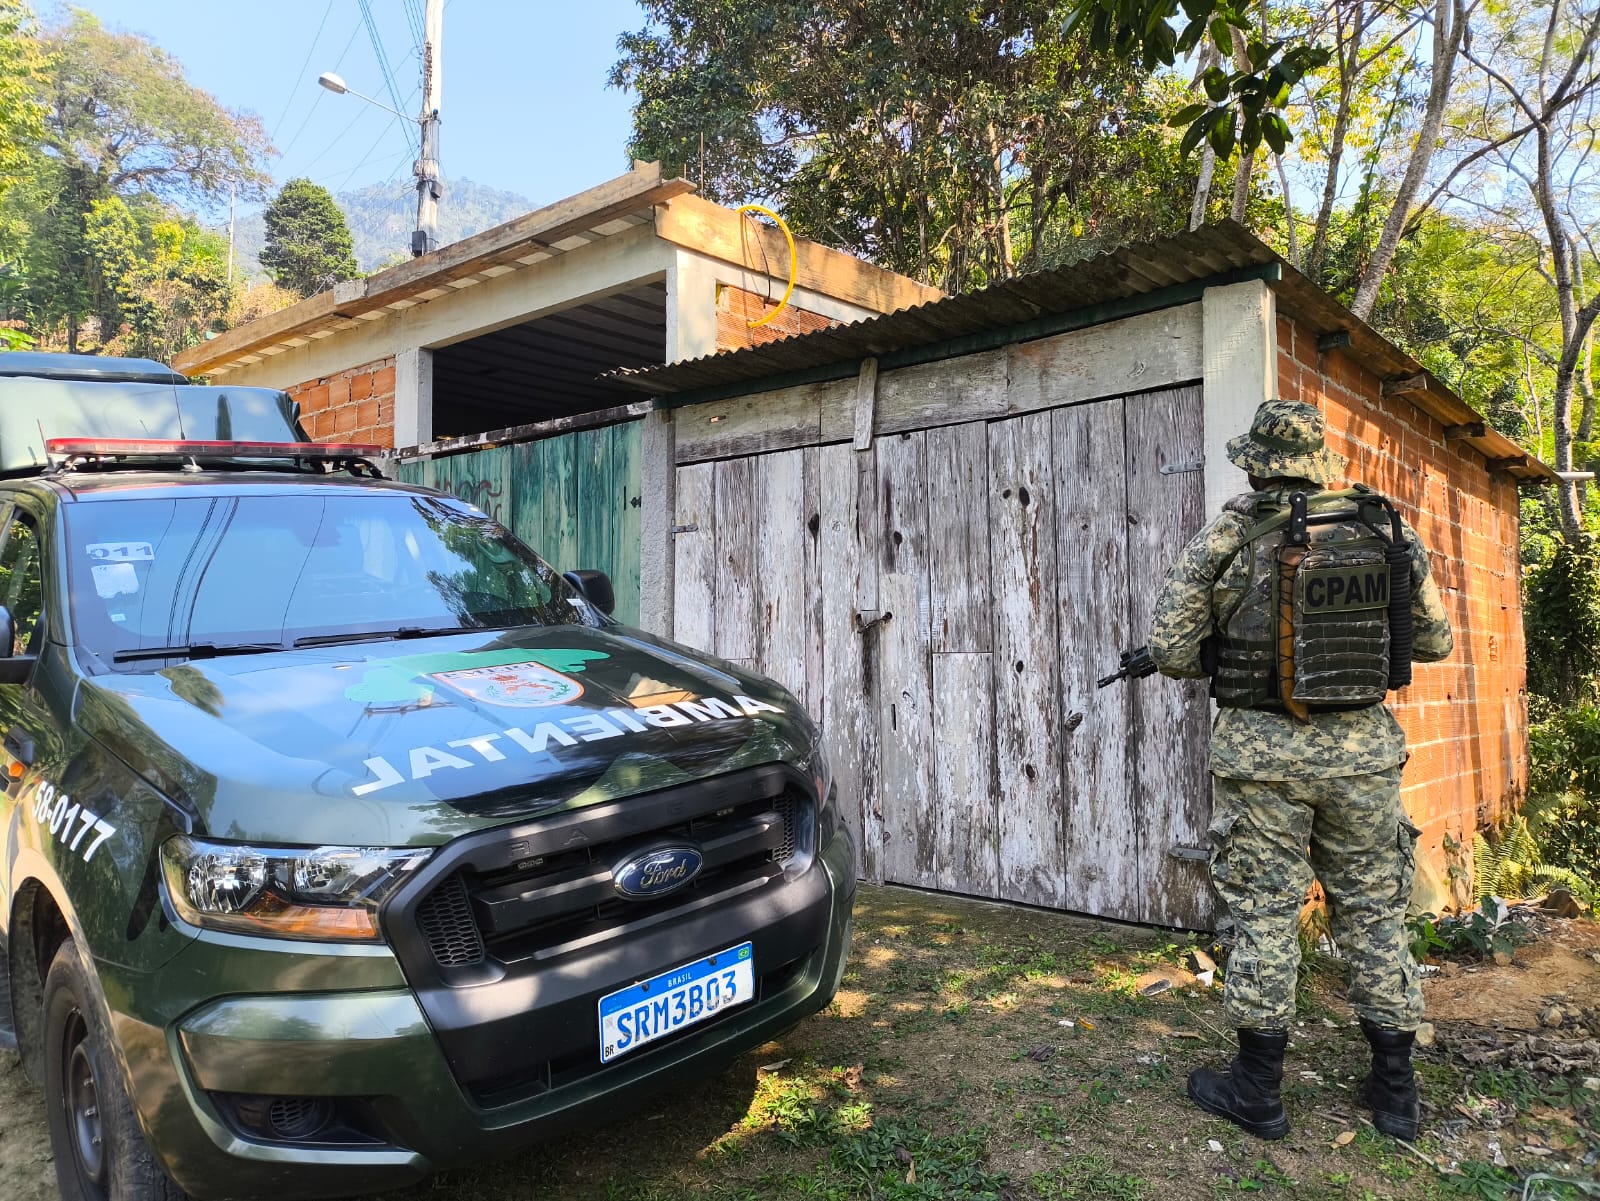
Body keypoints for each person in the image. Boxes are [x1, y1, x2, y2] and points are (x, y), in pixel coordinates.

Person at [1147, 398, 1453, 1142]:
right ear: (1317, 464)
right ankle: (1396, 1095)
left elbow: (1170, 648)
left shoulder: (1230, 531)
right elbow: (1435, 640)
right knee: (1374, 913)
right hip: (1362, 758)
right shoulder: (1384, 527)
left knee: (1264, 915)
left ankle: (1258, 1090)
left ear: (1256, 462)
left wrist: (1235, 647)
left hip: (1263, 761)